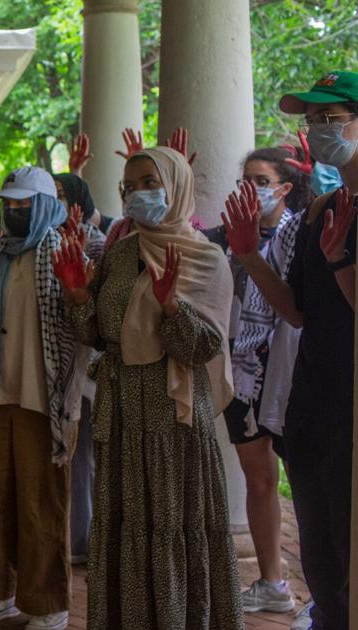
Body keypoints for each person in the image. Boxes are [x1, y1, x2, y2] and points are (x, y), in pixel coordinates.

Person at [57, 147, 243, 630]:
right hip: (121, 411)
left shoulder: (204, 257)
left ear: (176, 185)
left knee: (172, 523)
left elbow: (204, 348)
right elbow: (99, 333)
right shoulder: (121, 251)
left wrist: (171, 308)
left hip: (171, 414)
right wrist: (78, 296)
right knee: (126, 525)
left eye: (148, 182)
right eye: (130, 185)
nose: (139, 194)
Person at [222, 71, 358, 630]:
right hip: (314, 410)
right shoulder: (322, 208)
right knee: (322, 563)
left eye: (332, 118)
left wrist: (343, 264)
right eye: (312, 119)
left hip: (353, 412)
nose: (319, 128)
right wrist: (251, 256)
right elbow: (298, 311)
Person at [0, 166, 83, 630]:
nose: (16, 212)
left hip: (42, 397)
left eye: (25, 204)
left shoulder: (64, 251)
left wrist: (75, 291)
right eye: (10, 205)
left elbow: (79, 325)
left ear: (45, 207)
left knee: (41, 501)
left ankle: (47, 602)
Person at [205, 147, 312, 615]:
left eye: (261, 180)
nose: (251, 187)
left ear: (285, 188)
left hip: (291, 371)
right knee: (260, 477)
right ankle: (272, 581)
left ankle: (322, 589)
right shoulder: (224, 239)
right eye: (245, 179)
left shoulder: (301, 233)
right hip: (244, 374)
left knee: (308, 481)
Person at [51, 173, 106, 567]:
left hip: (88, 369)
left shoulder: (102, 245)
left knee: (85, 454)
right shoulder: (44, 244)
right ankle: (70, 536)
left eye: (61, 197)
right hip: (54, 364)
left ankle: (83, 541)